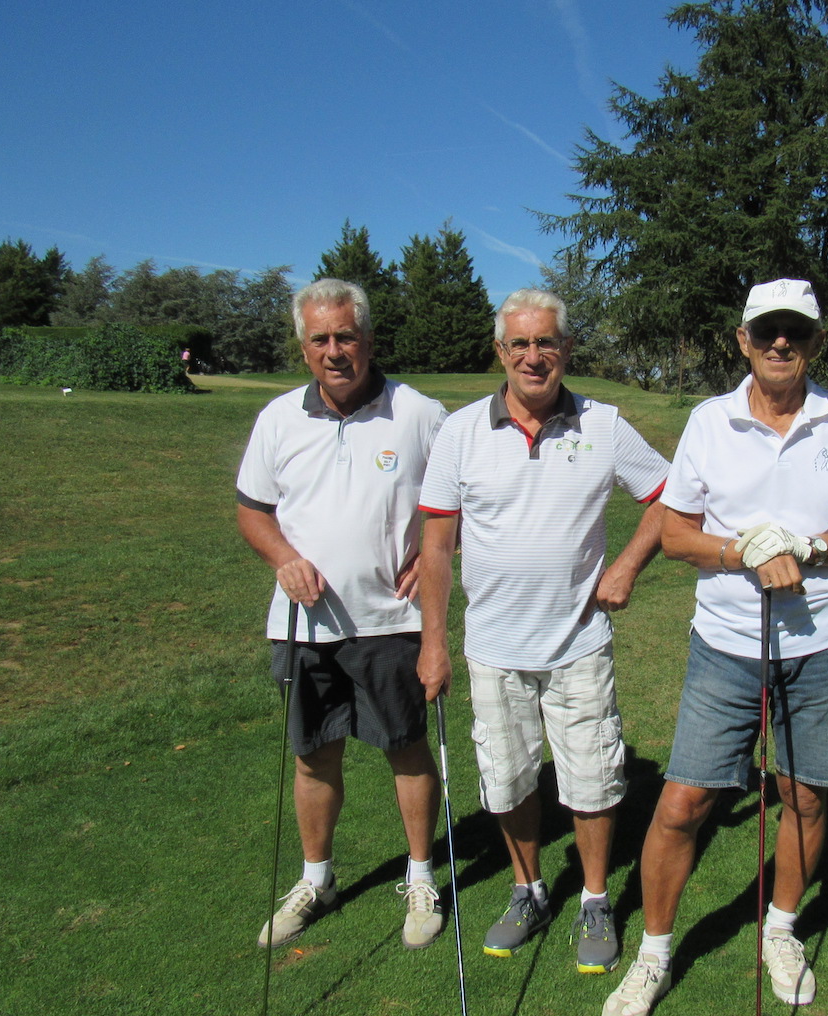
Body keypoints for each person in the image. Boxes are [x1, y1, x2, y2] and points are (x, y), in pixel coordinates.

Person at [601, 278, 828, 1016]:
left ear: (815, 342)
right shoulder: (709, 421)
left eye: (795, 331)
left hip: (822, 646)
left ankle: (779, 929)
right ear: (742, 340)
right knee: (683, 803)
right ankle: (655, 954)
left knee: (804, 797)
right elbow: (674, 535)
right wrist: (743, 550)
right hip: (727, 648)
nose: (779, 343)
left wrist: (810, 545)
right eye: (766, 329)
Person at [417, 288, 669, 975]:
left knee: (591, 779)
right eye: (519, 344)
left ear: (566, 349)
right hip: (494, 650)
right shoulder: (460, 432)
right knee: (509, 780)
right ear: (500, 351)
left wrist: (625, 567)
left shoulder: (605, 425)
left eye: (546, 342)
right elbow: (436, 544)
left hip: (578, 643)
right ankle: (527, 890)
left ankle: (593, 898)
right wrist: (433, 641)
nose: (534, 356)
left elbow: (671, 497)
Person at [236, 278, 449, 952]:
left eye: (345, 336)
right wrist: (282, 557)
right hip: (303, 625)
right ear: (304, 347)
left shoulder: (418, 413)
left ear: (368, 340)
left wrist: (432, 555)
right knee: (312, 756)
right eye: (320, 339)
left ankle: (420, 878)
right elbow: (253, 510)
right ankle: (316, 879)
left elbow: (462, 499)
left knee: (406, 750)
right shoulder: (277, 419)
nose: (334, 350)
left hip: (391, 619)